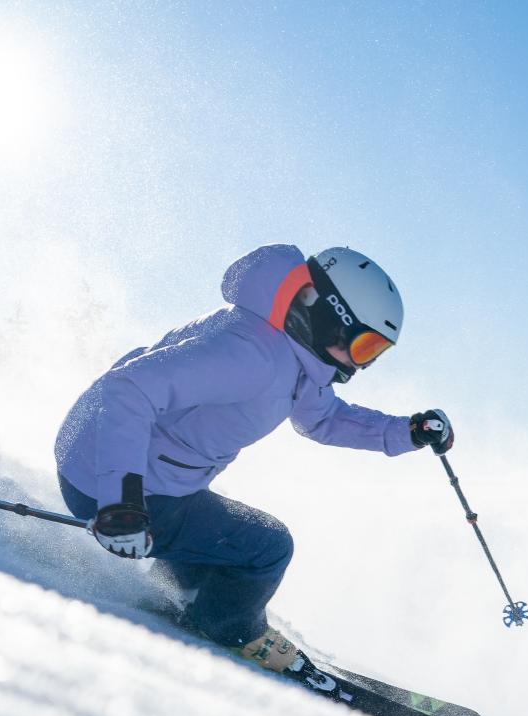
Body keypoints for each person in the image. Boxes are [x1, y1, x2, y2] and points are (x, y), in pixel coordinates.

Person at [54, 244, 455, 672]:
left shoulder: (293, 357)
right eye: (364, 347)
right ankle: (230, 629)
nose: (362, 365)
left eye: (375, 354)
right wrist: (122, 504)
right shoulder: (252, 356)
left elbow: (324, 418)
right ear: (329, 316)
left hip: (131, 475)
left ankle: (180, 594)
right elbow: (130, 388)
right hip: (113, 486)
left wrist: (406, 431)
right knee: (268, 547)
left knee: (218, 543)